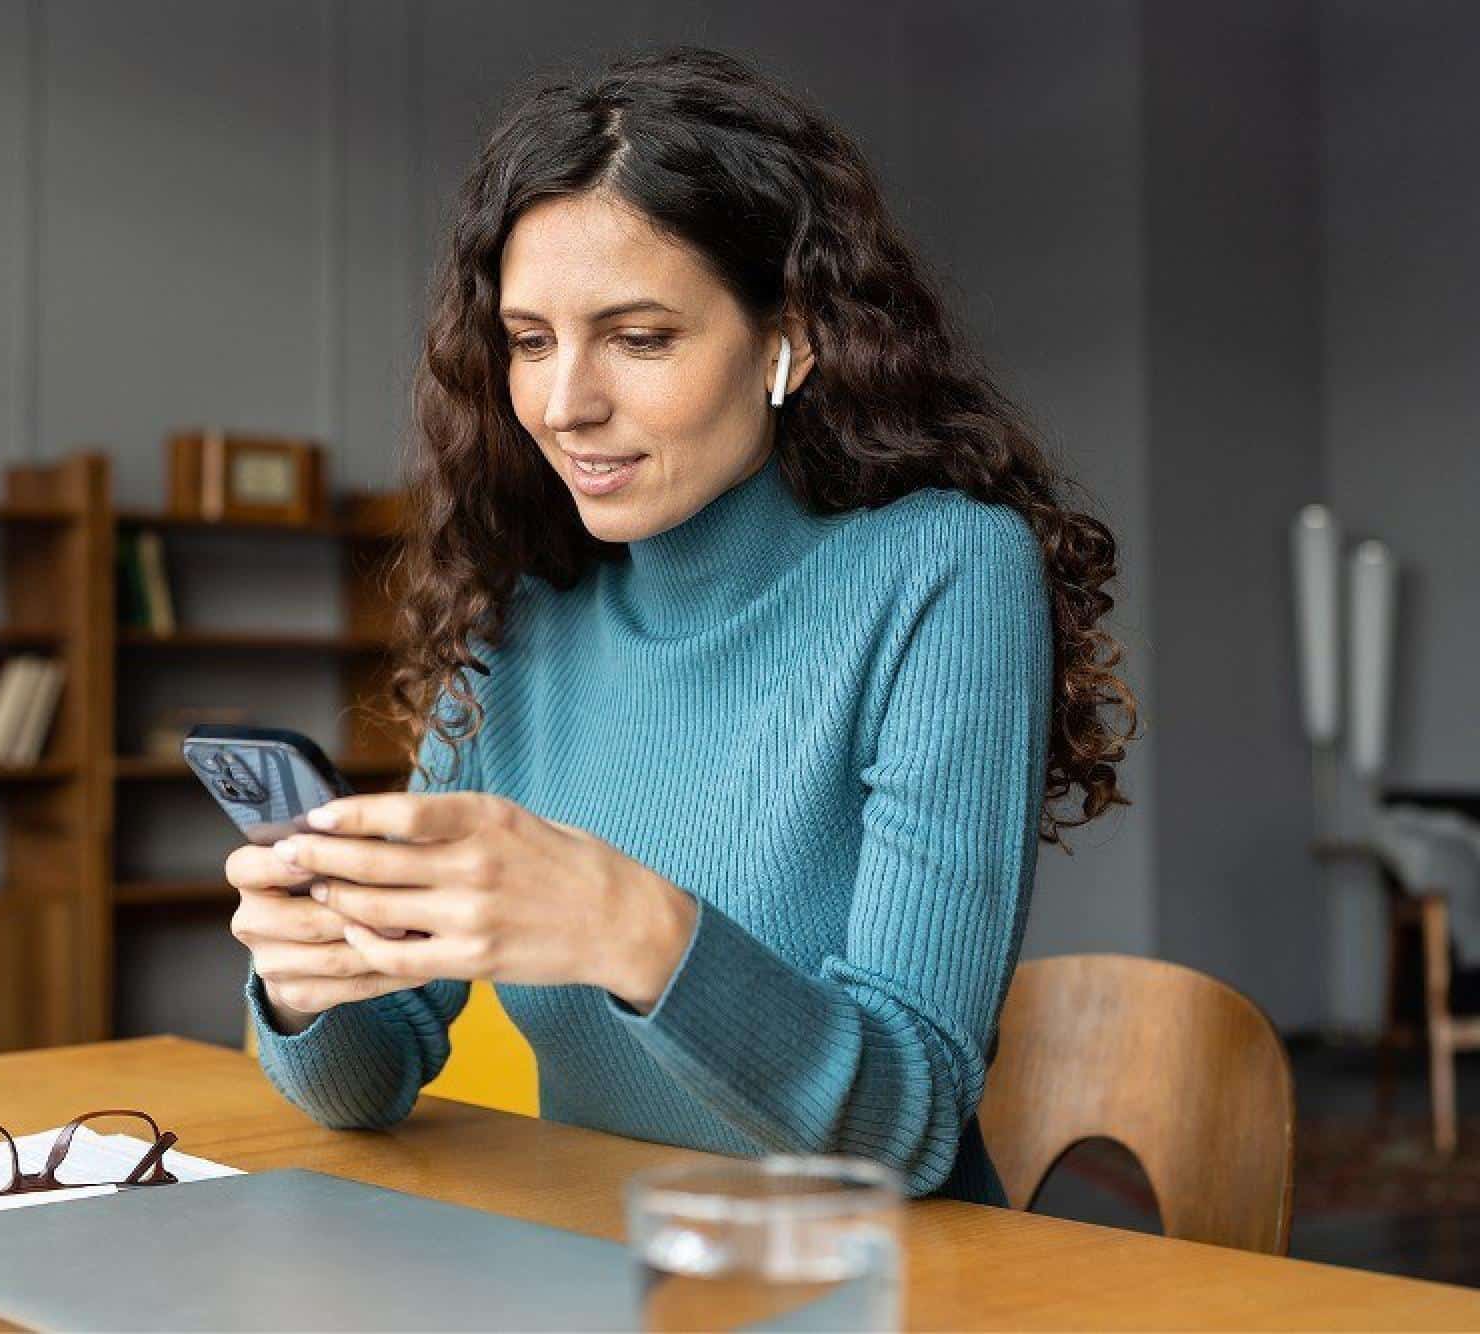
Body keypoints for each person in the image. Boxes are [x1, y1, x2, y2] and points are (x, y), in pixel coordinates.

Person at [225, 45, 1136, 1203]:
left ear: (787, 337)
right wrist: (308, 984)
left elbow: (903, 1124)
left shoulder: (942, 573)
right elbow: (372, 1077)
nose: (565, 405)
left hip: (871, 1268)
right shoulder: (520, 612)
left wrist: (630, 927)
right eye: (529, 341)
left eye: (639, 337)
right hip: (595, 1261)